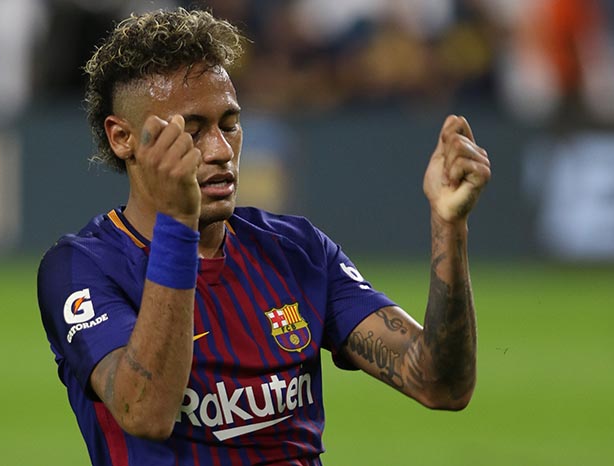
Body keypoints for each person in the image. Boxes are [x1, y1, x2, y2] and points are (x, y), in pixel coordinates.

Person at [37, 7, 491, 466]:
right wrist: (178, 223)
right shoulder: (81, 268)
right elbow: (146, 412)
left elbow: (441, 384)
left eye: (229, 125)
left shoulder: (296, 250)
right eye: (191, 130)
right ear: (122, 138)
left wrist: (448, 227)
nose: (220, 150)